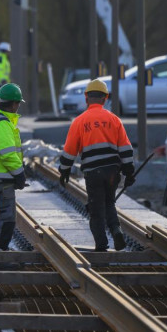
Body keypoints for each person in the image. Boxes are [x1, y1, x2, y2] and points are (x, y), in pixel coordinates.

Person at [58, 78, 134, 252]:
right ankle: (116, 230)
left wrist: (64, 171)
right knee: (109, 203)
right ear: (105, 98)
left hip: (93, 172)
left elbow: (69, 150)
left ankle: (101, 245)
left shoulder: (79, 121)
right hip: (112, 171)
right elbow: (125, 148)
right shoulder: (114, 120)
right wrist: (129, 171)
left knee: (96, 208)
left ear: (86, 98)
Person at [0, 83, 27, 251]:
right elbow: (8, 154)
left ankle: (0, 252)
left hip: (1, 178)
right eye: (18, 104)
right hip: (2, 179)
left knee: (4, 218)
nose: (18, 107)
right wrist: (20, 174)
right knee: (6, 219)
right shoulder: (2, 122)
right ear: (14, 103)